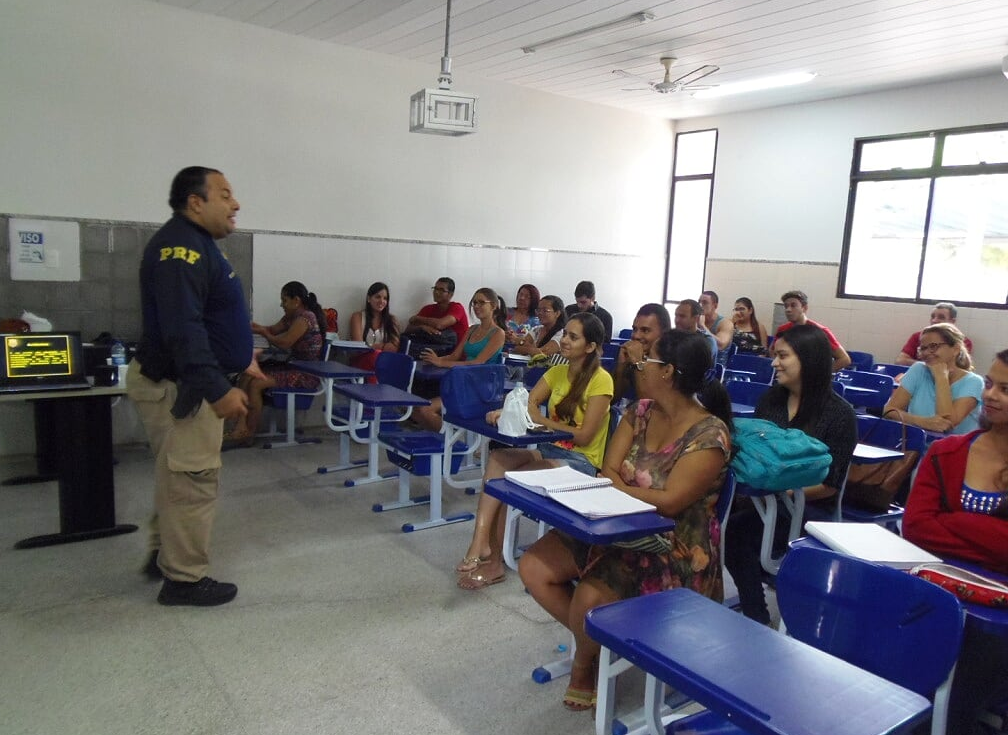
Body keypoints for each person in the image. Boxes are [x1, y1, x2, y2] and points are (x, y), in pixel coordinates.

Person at [518, 329, 732, 710]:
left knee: (589, 597)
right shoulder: (640, 411)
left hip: (673, 545)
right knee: (534, 566)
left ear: (668, 371)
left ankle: (584, 663)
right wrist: (617, 486)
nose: (638, 365)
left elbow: (670, 504)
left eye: (647, 359)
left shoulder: (710, 434)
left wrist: (618, 486)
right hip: (613, 523)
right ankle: (597, 642)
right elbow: (607, 471)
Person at [127, 166, 252, 606]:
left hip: (187, 381)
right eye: (225, 194)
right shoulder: (181, 250)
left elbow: (207, 318)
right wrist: (218, 389)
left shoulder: (196, 244)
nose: (235, 203)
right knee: (191, 480)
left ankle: (164, 552)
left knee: (176, 474)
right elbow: (183, 329)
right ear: (195, 202)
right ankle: (183, 579)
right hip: (185, 387)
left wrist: (243, 358)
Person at [455, 312, 613, 592]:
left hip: (580, 463)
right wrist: (505, 411)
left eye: (573, 337)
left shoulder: (601, 380)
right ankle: (480, 540)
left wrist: (542, 421)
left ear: (590, 346)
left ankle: (493, 563)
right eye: (565, 334)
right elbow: (527, 403)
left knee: (507, 482)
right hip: (549, 450)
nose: (564, 341)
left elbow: (585, 436)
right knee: (499, 459)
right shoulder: (557, 372)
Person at [903, 349, 1008, 735]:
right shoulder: (947, 451)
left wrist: (953, 522)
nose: (990, 395)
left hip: (998, 613)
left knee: (960, 690)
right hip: (938, 586)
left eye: (1006, 389)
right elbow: (916, 527)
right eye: (990, 384)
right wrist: (990, 538)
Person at [724, 323, 858, 625]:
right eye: (775, 355)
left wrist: (775, 492)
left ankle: (755, 617)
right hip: (764, 502)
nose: (774, 363)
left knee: (736, 533)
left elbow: (829, 485)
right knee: (718, 521)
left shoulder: (839, 414)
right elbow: (755, 456)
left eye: (783, 356)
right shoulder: (771, 401)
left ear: (808, 359)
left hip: (810, 508)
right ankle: (751, 605)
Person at [227, 281, 326, 445]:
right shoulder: (290, 317)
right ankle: (240, 426)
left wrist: (265, 334)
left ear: (296, 300)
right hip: (293, 367)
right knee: (248, 374)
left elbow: (285, 342)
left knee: (256, 384)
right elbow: (271, 330)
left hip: (306, 374)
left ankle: (249, 433)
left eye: (284, 300)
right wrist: (244, 326)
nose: (282, 304)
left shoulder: (306, 318)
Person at [411, 287, 506, 432]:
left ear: (493, 306)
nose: (476, 306)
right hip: (463, 384)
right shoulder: (472, 329)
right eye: (474, 303)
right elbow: (454, 356)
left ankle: (453, 440)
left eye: (481, 302)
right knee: (417, 410)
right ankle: (447, 439)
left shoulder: (498, 333)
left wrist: (441, 363)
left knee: (424, 410)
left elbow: (477, 363)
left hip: (481, 390)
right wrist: (436, 358)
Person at [883, 323, 983, 435]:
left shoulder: (974, 382)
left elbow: (946, 424)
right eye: (923, 348)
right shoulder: (918, 369)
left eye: (933, 346)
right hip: (914, 441)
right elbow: (889, 411)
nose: (926, 353)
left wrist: (941, 377)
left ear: (956, 349)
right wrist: (922, 422)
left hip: (951, 445)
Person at [774, 290, 851, 372]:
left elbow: (844, 359)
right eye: (786, 306)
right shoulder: (782, 329)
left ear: (804, 308)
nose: (788, 310)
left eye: (793, 305)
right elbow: (773, 351)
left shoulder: (820, 331)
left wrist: (820, 374)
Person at [614, 303, 671, 404]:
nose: (636, 336)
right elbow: (613, 399)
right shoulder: (632, 357)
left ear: (664, 334)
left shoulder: (671, 364)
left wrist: (637, 364)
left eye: (645, 330)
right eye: (634, 329)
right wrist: (621, 366)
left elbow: (648, 406)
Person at [403, 277, 469, 355]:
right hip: (433, 352)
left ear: (450, 294)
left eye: (441, 290)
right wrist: (422, 327)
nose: (436, 292)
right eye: (435, 289)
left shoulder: (457, 308)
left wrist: (416, 318)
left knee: (449, 335)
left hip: (455, 354)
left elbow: (440, 324)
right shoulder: (428, 309)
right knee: (404, 340)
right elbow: (408, 329)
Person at [895, 301, 973, 366]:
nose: (934, 320)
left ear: (952, 321)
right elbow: (900, 361)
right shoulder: (918, 336)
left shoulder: (964, 342)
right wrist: (926, 365)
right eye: (933, 316)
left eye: (941, 317)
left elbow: (959, 367)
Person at [509, 294, 565, 360]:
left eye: (545, 310)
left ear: (557, 313)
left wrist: (523, 344)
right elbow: (517, 349)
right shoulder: (537, 329)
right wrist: (531, 349)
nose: (540, 313)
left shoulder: (561, 334)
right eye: (538, 310)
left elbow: (541, 355)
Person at [348, 281, 401, 352]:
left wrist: (371, 347)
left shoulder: (392, 320)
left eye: (385, 298)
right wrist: (383, 346)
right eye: (378, 297)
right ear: (369, 299)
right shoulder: (357, 317)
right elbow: (358, 346)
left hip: (384, 358)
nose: (381, 301)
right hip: (362, 357)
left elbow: (394, 347)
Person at [699, 290, 734, 364]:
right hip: (697, 364)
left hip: (716, 366)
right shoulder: (696, 320)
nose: (700, 305)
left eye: (705, 302)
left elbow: (720, 345)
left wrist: (702, 326)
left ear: (715, 306)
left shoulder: (725, 323)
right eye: (699, 302)